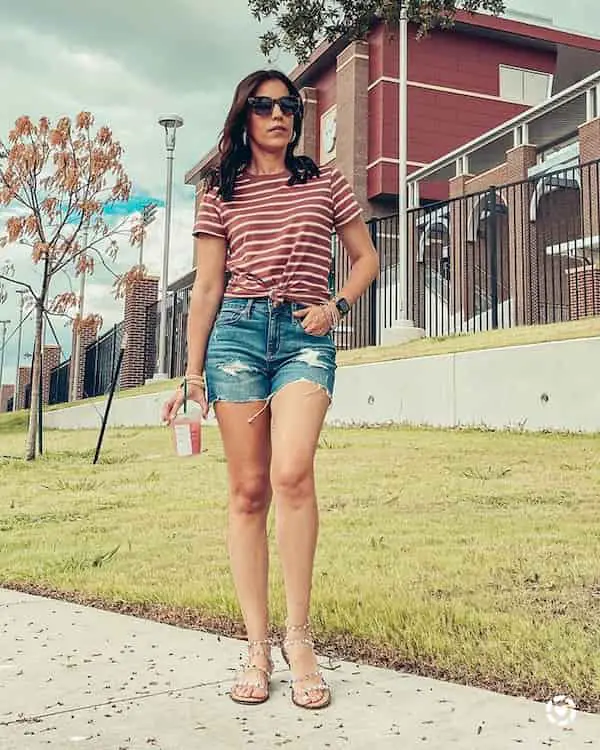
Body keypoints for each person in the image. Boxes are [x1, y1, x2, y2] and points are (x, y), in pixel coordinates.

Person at [162, 68, 379, 710]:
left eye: (288, 106)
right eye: (264, 106)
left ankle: (300, 637)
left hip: (304, 336)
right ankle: (257, 645)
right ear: (245, 116)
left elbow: (366, 257)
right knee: (249, 489)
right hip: (235, 337)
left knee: (292, 473)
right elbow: (206, 289)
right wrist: (192, 374)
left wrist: (336, 304)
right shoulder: (218, 192)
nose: (279, 115)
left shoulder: (325, 180)